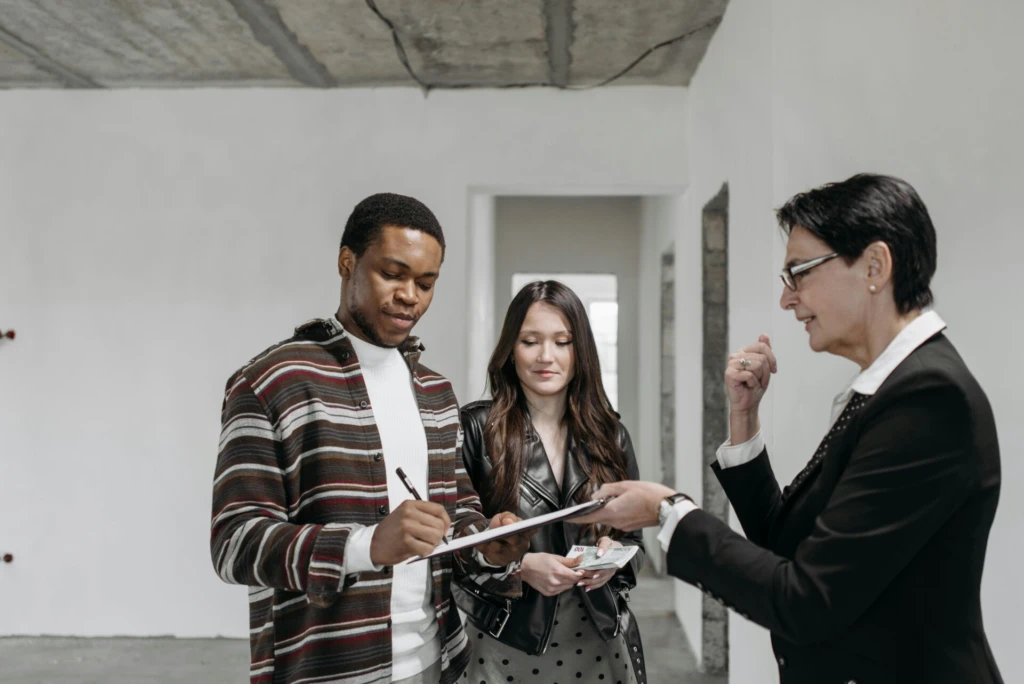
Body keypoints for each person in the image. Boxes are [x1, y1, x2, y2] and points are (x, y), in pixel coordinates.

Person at [576, 174, 1003, 683]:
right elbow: (790, 549)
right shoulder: (892, 387)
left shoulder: (928, 398)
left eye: (798, 272)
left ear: (875, 266)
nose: (787, 300)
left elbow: (806, 599)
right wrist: (744, 418)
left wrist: (667, 510)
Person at [210, 193, 532, 684]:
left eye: (426, 283)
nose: (411, 296)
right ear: (347, 262)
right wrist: (366, 546)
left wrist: (487, 544)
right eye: (393, 274)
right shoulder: (272, 382)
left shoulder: (435, 392)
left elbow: (457, 511)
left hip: (439, 660)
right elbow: (234, 544)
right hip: (330, 669)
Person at [456, 280, 647, 684]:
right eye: (530, 341)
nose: (547, 356)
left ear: (581, 352)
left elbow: (637, 544)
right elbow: (451, 549)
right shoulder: (475, 428)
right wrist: (519, 567)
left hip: (600, 638)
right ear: (510, 348)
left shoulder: (611, 435)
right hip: (505, 640)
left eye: (563, 342)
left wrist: (614, 557)